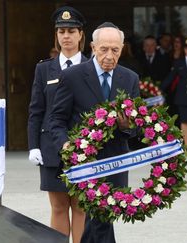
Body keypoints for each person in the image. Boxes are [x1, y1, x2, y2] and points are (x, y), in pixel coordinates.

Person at [50, 22, 139, 243]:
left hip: (116, 161)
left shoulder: (130, 78)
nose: (109, 55)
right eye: (104, 49)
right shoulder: (72, 76)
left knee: (102, 218)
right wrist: (65, 145)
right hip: (84, 162)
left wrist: (128, 126)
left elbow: (138, 125)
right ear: (92, 46)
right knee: (99, 217)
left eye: (115, 50)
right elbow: (56, 119)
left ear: (122, 48)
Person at [27, 6, 88, 243]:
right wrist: (33, 145)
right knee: (59, 206)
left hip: (85, 147)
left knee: (82, 207)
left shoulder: (90, 66)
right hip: (51, 146)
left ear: (81, 34)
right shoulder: (44, 69)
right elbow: (36, 110)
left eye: (71, 31)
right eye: (61, 31)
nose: (66, 36)